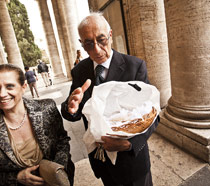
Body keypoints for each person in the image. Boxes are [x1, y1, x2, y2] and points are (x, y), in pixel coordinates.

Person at [61, 12, 159, 186]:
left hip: (132, 163)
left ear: (110, 35)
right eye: (89, 44)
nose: (97, 50)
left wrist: (129, 144)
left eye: (101, 40)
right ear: (81, 44)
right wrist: (71, 107)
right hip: (102, 163)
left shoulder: (134, 67)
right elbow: (73, 110)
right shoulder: (79, 71)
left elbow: (153, 116)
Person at [0, 64, 75, 186]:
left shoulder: (46, 108)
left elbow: (62, 141)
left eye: (9, 86)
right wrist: (17, 177)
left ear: (23, 87)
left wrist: (56, 172)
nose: (2, 94)